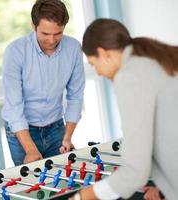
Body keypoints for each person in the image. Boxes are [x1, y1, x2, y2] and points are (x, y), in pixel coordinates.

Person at [71, 18, 178, 199]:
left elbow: (136, 170)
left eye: (93, 64)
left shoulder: (130, 75)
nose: (97, 72)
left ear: (103, 53)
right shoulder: (151, 60)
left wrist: (84, 196)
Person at [1, 0, 85, 166]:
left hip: (56, 128)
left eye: (58, 33)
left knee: (63, 182)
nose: (52, 40)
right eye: (45, 34)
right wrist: (30, 149)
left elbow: (76, 96)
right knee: (29, 185)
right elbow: (14, 106)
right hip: (22, 131)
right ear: (33, 26)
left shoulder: (73, 48)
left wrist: (67, 137)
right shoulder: (15, 51)